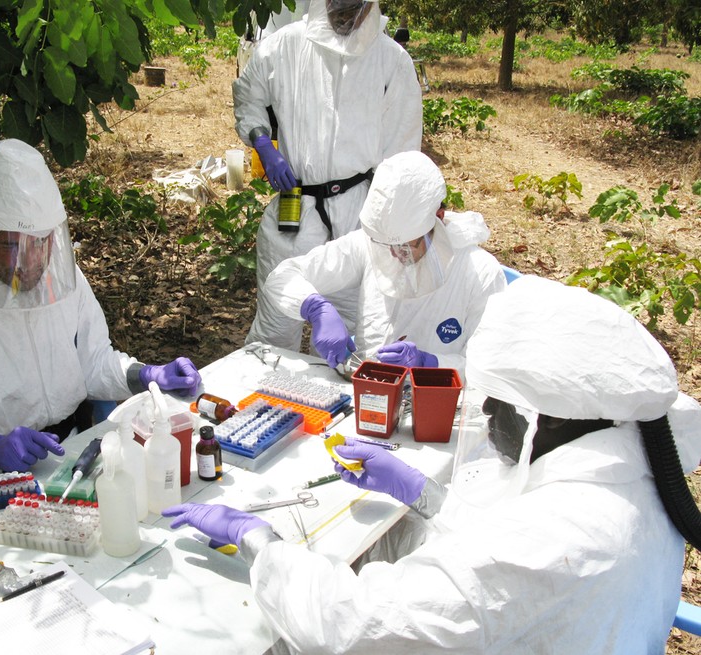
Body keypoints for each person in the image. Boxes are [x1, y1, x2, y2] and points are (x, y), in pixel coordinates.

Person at [163, 275, 701, 653]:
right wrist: (423, 492)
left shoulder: (554, 539)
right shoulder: (633, 466)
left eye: (499, 399)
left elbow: (352, 627)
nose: (486, 410)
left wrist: (260, 541)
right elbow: (501, 563)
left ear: (550, 417)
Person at [0, 139, 202, 480]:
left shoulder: (60, 277)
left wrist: (144, 375)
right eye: (11, 245)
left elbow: (91, 361)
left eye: (40, 241)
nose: (29, 262)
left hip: (76, 450)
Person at [234, 0, 424, 351]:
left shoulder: (391, 61)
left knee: (360, 329)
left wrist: (395, 225)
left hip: (359, 213)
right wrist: (263, 142)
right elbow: (249, 94)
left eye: (354, 9)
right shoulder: (285, 45)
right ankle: (268, 398)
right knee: (277, 324)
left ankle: (352, 400)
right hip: (295, 205)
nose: (346, 17)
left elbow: (402, 155)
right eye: (339, 7)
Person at [262, 150, 506, 375]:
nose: (394, 255)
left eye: (406, 246)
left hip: (432, 403)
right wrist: (314, 307)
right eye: (386, 246)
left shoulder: (480, 274)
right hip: (365, 392)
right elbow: (282, 277)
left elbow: (488, 370)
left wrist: (429, 363)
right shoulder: (370, 244)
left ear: (438, 219)